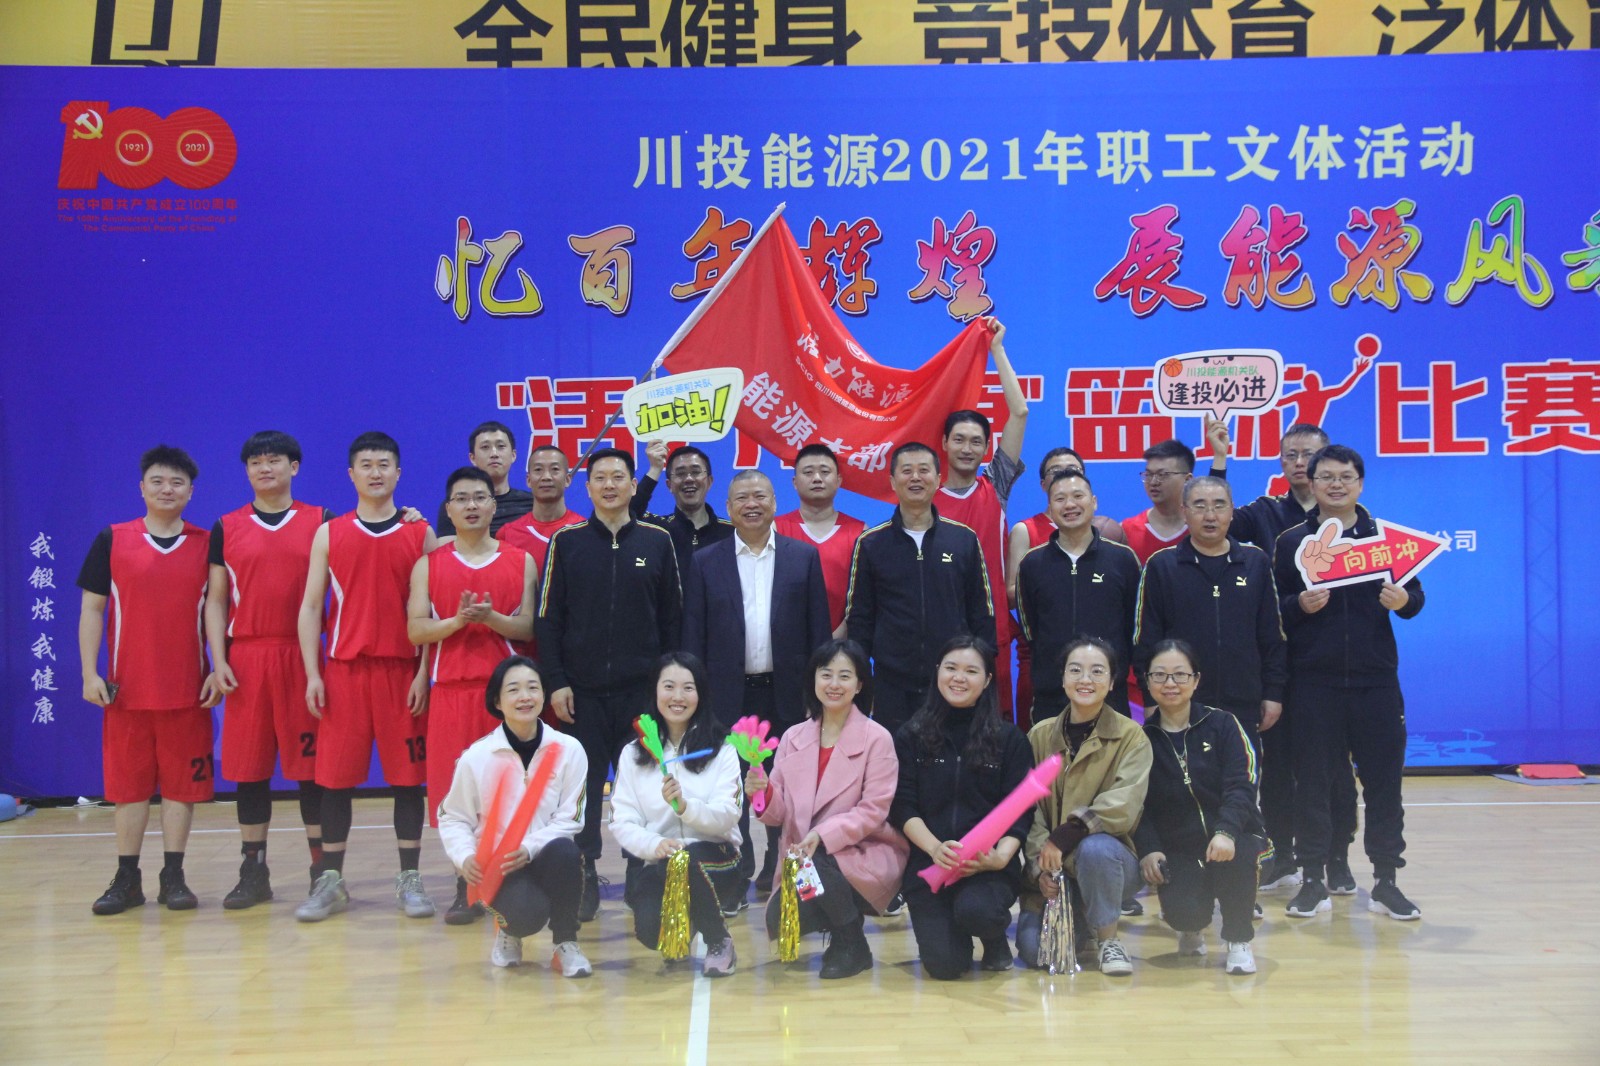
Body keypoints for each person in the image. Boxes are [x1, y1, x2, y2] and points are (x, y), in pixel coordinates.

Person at [1275, 445, 1425, 921]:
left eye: (1345, 476)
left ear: (1360, 483)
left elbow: (1415, 598)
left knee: (1384, 783)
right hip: (1313, 683)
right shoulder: (1292, 542)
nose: (1335, 484)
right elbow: (1273, 609)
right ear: (1311, 483)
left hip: (1375, 682)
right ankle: (1312, 878)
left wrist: (1403, 600)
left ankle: (1386, 881)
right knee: (1312, 783)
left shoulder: (1386, 540)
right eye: (1326, 477)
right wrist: (1299, 605)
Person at [1205, 418, 1355, 892]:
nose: (1300, 463)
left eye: (1310, 455)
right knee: (1275, 763)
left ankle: (1337, 857)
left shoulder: (1354, 522)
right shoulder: (1265, 511)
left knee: (1332, 764)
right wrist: (1220, 460)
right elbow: (1216, 517)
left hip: (1327, 661)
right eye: (1291, 455)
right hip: (1273, 657)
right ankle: (1282, 854)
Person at [295, 431, 436, 922]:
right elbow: (311, 606)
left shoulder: (420, 533)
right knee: (334, 781)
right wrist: (313, 673)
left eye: (384, 464)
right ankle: (330, 880)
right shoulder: (330, 533)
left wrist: (424, 672)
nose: (376, 473)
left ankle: (410, 877)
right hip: (344, 674)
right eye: (366, 465)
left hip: (402, 674)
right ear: (351, 474)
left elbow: (432, 610)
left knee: (407, 781)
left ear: (399, 473)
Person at [537, 447, 682, 921]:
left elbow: (673, 620)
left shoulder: (658, 541)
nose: (609, 485)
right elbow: (548, 620)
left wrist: (666, 688)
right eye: (600, 478)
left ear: (632, 484)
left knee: (643, 787)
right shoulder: (567, 542)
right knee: (581, 789)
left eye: (618, 477)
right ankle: (583, 874)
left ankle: (642, 872)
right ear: (588, 488)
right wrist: (556, 681)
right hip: (580, 695)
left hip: (642, 695)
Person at [79, 445, 217, 915]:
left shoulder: (206, 544)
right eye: (158, 481)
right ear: (141, 487)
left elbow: (220, 610)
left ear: (191, 491)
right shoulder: (112, 539)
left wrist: (218, 668)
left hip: (188, 691)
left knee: (182, 788)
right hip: (127, 692)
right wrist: (89, 673)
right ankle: (126, 877)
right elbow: (92, 609)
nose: (167, 489)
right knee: (128, 788)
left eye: (177, 482)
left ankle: (173, 875)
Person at [682, 470, 830, 906]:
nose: (752, 504)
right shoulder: (705, 561)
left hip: (787, 693)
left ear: (774, 503)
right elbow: (694, 634)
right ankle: (736, 867)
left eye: (760, 496)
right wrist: (696, 696)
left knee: (784, 783)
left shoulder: (802, 557)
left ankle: (777, 863)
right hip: (727, 693)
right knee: (731, 784)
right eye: (742, 498)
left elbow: (819, 634)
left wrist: (817, 696)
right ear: (728, 508)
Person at [1132, 475, 1289, 885]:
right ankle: (1188, 880)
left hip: (1242, 702)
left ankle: (1239, 884)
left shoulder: (1254, 562)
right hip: (1178, 705)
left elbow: (1272, 635)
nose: (1210, 514)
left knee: (1241, 789)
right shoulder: (1162, 566)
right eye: (1199, 505)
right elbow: (1145, 640)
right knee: (1182, 791)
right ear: (1184, 512)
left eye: (1219, 505)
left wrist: (1273, 693)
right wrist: (1151, 697)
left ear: (1232, 512)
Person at [203, 431, 333, 910]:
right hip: (248, 659)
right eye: (255, 461)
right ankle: (253, 870)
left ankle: (322, 871)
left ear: (293, 467)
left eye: (273, 459)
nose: (264, 467)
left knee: (311, 772)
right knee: (249, 771)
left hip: (303, 657)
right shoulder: (226, 526)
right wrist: (219, 660)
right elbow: (216, 601)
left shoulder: (322, 521)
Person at [407, 466, 536, 925]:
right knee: (456, 795)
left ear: (493, 505)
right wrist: (458, 622)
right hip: (451, 692)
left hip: (506, 699)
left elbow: (528, 628)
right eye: (461, 499)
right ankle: (466, 884)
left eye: (480, 497)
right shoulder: (428, 564)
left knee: (510, 792)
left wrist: (491, 618)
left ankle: (512, 884)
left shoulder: (520, 560)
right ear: (449, 508)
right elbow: (416, 629)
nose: (471, 506)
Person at [748, 640, 907, 979]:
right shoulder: (793, 737)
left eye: (844, 676)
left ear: (859, 684)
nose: (834, 684)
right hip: (804, 860)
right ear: (814, 679)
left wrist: (821, 835)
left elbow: (873, 811)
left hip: (863, 852)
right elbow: (777, 815)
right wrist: (761, 793)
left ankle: (852, 943)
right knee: (781, 918)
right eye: (826, 674)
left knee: (817, 862)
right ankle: (842, 923)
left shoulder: (877, 738)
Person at [437, 656, 591, 976]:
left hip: (545, 854)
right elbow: (453, 817)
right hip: (500, 865)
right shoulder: (477, 757)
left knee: (567, 852)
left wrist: (529, 848)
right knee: (525, 916)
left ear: (544, 695)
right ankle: (509, 931)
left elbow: (570, 819)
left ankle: (565, 942)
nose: (525, 697)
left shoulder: (569, 749)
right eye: (513, 690)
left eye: (533, 688)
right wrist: (464, 856)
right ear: (497, 701)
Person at [892, 637, 1033, 979]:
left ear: (987, 680)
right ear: (937, 671)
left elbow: (1020, 808)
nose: (959, 678)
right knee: (945, 966)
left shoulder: (1009, 739)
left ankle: (992, 936)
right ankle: (956, 933)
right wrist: (934, 848)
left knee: (978, 912)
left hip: (987, 867)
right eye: (951, 668)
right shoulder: (911, 736)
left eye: (971, 671)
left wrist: (1000, 857)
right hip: (930, 865)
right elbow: (903, 805)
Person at [1018, 636, 1151, 977]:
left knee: (1096, 849)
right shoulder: (1039, 735)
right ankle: (1083, 921)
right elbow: (1028, 809)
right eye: (1075, 670)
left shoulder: (1132, 736)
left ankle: (1108, 939)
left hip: (1110, 862)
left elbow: (1123, 804)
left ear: (1112, 681)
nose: (1085, 679)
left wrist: (1066, 834)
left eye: (1097, 671)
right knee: (1037, 952)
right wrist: (1040, 867)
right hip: (1054, 869)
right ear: (1063, 678)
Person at [1133, 640, 1265, 976]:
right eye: (1160, 675)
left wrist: (1226, 831)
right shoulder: (1140, 740)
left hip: (1236, 836)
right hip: (1180, 848)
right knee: (1184, 912)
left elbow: (1242, 785)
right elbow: (1137, 805)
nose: (1170, 683)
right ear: (1147, 681)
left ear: (1196, 680)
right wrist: (1149, 848)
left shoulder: (1223, 724)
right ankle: (1190, 929)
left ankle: (1238, 939)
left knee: (1236, 856)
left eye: (1180, 674)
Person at [845, 443, 995, 735]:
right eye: (907, 471)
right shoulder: (871, 543)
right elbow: (860, 618)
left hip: (954, 680)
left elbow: (982, 612)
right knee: (895, 758)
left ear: (938, 479)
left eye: (924, 470)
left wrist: (979, 669)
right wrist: (861, 677)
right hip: (892, 683)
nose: (915, 477)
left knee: (953, 756)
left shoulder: (963, 539)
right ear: (892, 481)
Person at [609, 653, 743, 977]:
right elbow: (621, 820)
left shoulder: (722, 748)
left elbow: (729, 814)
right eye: (669, 686)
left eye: (688, 688)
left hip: (717, 860)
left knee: (687, 859)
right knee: (650, 930)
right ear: (655, 692)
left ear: (701, 694)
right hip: (661, 861)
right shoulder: (633, 753)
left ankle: (718, 939)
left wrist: (686, 808)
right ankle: (688, 923)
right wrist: (653, 844)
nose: (678, 697)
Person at [935, 317, 1028, 722]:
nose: (967, 448)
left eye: (977, 442)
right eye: (959, 439)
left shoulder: (996, 486)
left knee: (992, 724)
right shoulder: (923, 497)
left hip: (991, 626)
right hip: (940, 623)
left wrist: (997, 350)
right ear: (944, 443)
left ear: (987, 448)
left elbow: (1019, 412)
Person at [1005, 447, 1126, 728]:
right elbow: (1030, 622)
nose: (1069, 504)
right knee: (1048, 754)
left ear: (1093, 501)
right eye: (1060, 498)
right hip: (1051, 687)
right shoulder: (1032, 563)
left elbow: (1131, 624)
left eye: (1078, 496)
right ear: (1049, 501)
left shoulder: (1122, 559)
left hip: (1108, 689)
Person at [774, 443, 866, 639]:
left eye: (825, 472)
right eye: (808, 472)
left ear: (839, 480)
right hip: (788, 643)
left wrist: (838, 638)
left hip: (844, 644)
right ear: (794, 482)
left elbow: (865, 596)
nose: (817, 478)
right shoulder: (775, 529)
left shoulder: (860, 532)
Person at [631, 442, 734, 575]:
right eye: (680, 474)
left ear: (709, 482)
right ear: (669, 485)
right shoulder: (657, 529)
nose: (689, 479)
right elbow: (627, 514)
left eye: (696, 472)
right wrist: (655, 469)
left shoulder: (731, 533)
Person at [496, 445, 585, 583]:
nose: (546, 477)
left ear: (568, 479)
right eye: (538, 470)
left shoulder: (584, 530)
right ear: (528, 480)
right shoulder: (507, 535)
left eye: (555, 469)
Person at [433, 421, 533, 536]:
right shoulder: (457, 504)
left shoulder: (531, 504)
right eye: (485, 447)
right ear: (472, 458)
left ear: (513, 455)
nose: (494, 454)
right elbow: (448, 546)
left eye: (500, 446)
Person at [1122, 438, 1196, 565]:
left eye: (1162, 475)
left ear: (1187, 479)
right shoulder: (1126, 531)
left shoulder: (1201, 528)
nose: (1153, 482)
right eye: (1148, 474)